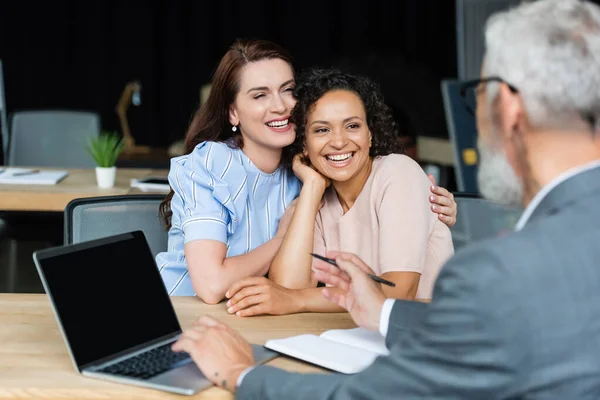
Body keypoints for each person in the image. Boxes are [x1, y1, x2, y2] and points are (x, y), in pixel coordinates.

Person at [172, 0, 600, 397]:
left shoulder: (492, 276)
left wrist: (241, 373)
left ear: (507, 108)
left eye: (479, 93)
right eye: (320, 129)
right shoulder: (299, 184)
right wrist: (380, 311)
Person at [156, 39, 457, 302]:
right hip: (186, 309)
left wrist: (426, 210)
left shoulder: (308, 169)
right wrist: (282, 240)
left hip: (256, 318)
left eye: (288, 90)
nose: (280, 106)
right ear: (232, 112)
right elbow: (213, 287)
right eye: (260, 95)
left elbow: (291, 290)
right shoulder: (212, 164)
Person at [223, 69, 454, 317]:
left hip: (429, 337)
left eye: (352, 126)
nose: (339, 141)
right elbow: (287, 289)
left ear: (370, 133)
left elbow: (398, 294)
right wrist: (311, 187)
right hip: (363, 338)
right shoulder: (316, 201)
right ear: (304, 142)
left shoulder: (398, 173)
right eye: (322, 130)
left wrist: (298, 299)